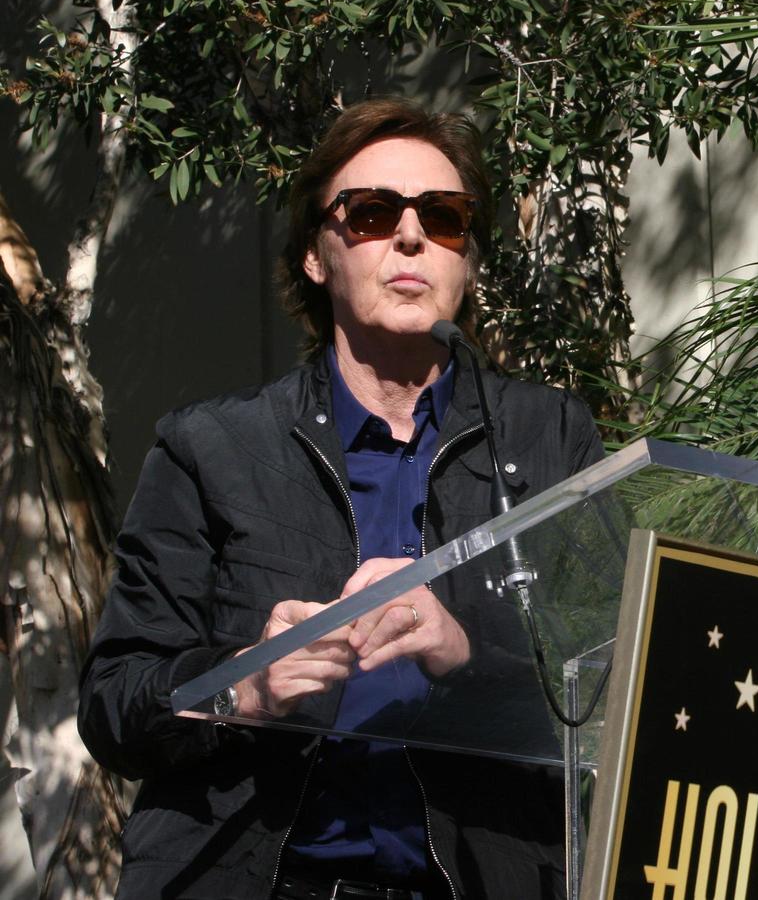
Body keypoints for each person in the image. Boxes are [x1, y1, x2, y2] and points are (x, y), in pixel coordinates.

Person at [78, 97, 603, 900]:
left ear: (467, 259)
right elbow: (115, 705)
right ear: (317, 256)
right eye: (371, 212)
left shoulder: (547, 440)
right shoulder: (212, 449)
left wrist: (463, 658)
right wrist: (241, 686)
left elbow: (606, 701)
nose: (411, 235)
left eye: (446, 216)